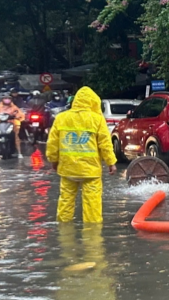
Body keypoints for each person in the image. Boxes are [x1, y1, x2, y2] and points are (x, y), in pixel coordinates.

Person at [46, 87, 117, 223]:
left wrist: (53, 161)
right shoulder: (97, 119)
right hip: (91, 171)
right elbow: (105, 143)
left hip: (68, 169)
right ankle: (92, 238)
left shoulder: (61, 118)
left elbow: (52, 144)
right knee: (92, 206)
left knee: (65, 202)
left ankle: (64, 235)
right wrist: (111, 163)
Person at [0, 93, 25, 159]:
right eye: (5, 99)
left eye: (9, 99)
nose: (7, 100)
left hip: (11, 124)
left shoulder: (14, 107)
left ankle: (19, 153)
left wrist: (16, 116)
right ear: (2, 100)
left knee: (16, 137)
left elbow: (20, 114)